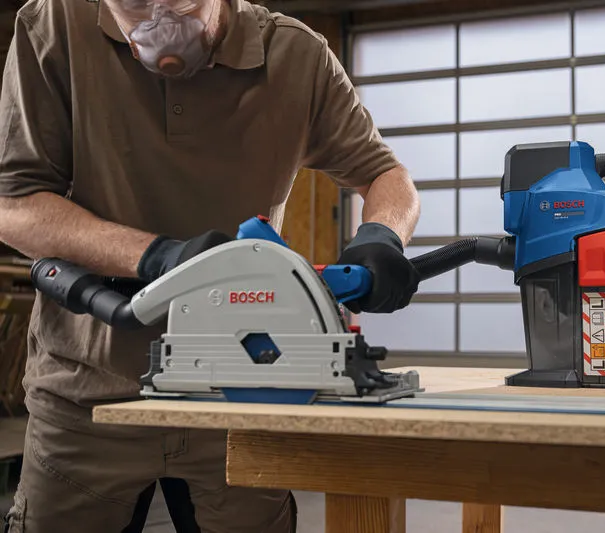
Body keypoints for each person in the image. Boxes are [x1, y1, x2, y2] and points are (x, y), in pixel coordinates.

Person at [0, 0, 421, 531]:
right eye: (134, 5)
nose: (157, 19)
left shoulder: (296, 56)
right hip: (88, 393)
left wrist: (382, 236)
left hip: (246, 388)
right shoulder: (52, 25)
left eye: (178, 3)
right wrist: (160, 257)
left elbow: (385, 174)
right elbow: (12, 205)